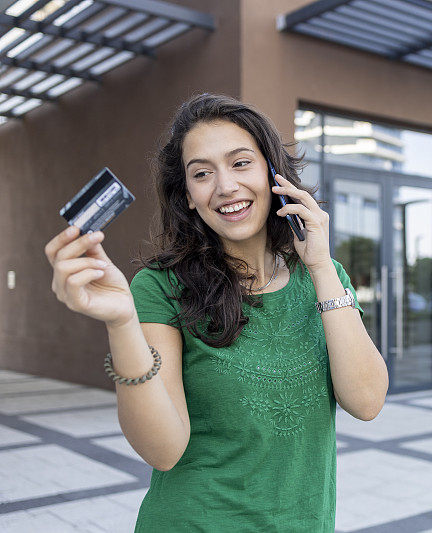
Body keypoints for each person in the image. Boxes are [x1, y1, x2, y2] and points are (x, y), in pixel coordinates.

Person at [44, 93, 389, 531]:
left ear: (274, 173)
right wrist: (122, 321)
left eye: (241, 163)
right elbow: (163, 450)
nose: (225, 186)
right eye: (202, 174)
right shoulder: (160, 287)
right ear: (188, 196)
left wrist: (321, 266)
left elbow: (367, 401)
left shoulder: (324, 273)